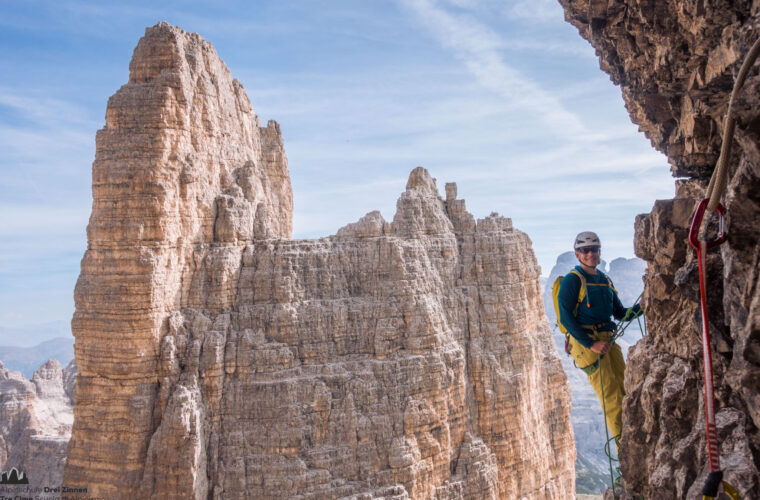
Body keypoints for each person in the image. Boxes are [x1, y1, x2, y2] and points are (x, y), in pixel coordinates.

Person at [557, 231, 641, 447]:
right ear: (577, 254)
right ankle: (627, 454)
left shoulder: (604, 280)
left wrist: (644, 305)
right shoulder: (572, 281)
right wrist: (591, 344)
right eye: (585, 250)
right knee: (612, 400)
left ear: (599, 252)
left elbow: (620, 313)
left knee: (625, 390)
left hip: (608, 342)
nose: (590, 253)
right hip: (590, 346)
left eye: (594, 249)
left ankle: (634, 442)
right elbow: (566, 318)